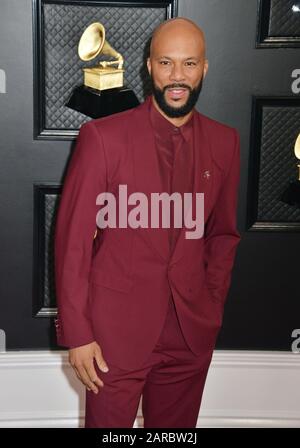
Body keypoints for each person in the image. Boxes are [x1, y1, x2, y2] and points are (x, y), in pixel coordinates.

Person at [54, 17, 241, 428]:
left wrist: (212, 303)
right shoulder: (103, 138)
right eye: (166, 63)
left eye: (189, 64)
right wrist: (79, 334)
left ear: (204, 68)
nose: (177, 76)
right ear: (149, 66)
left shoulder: (225, 142)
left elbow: (223, 234)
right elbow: (73, 242)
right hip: (111, 338)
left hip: (190, 334)